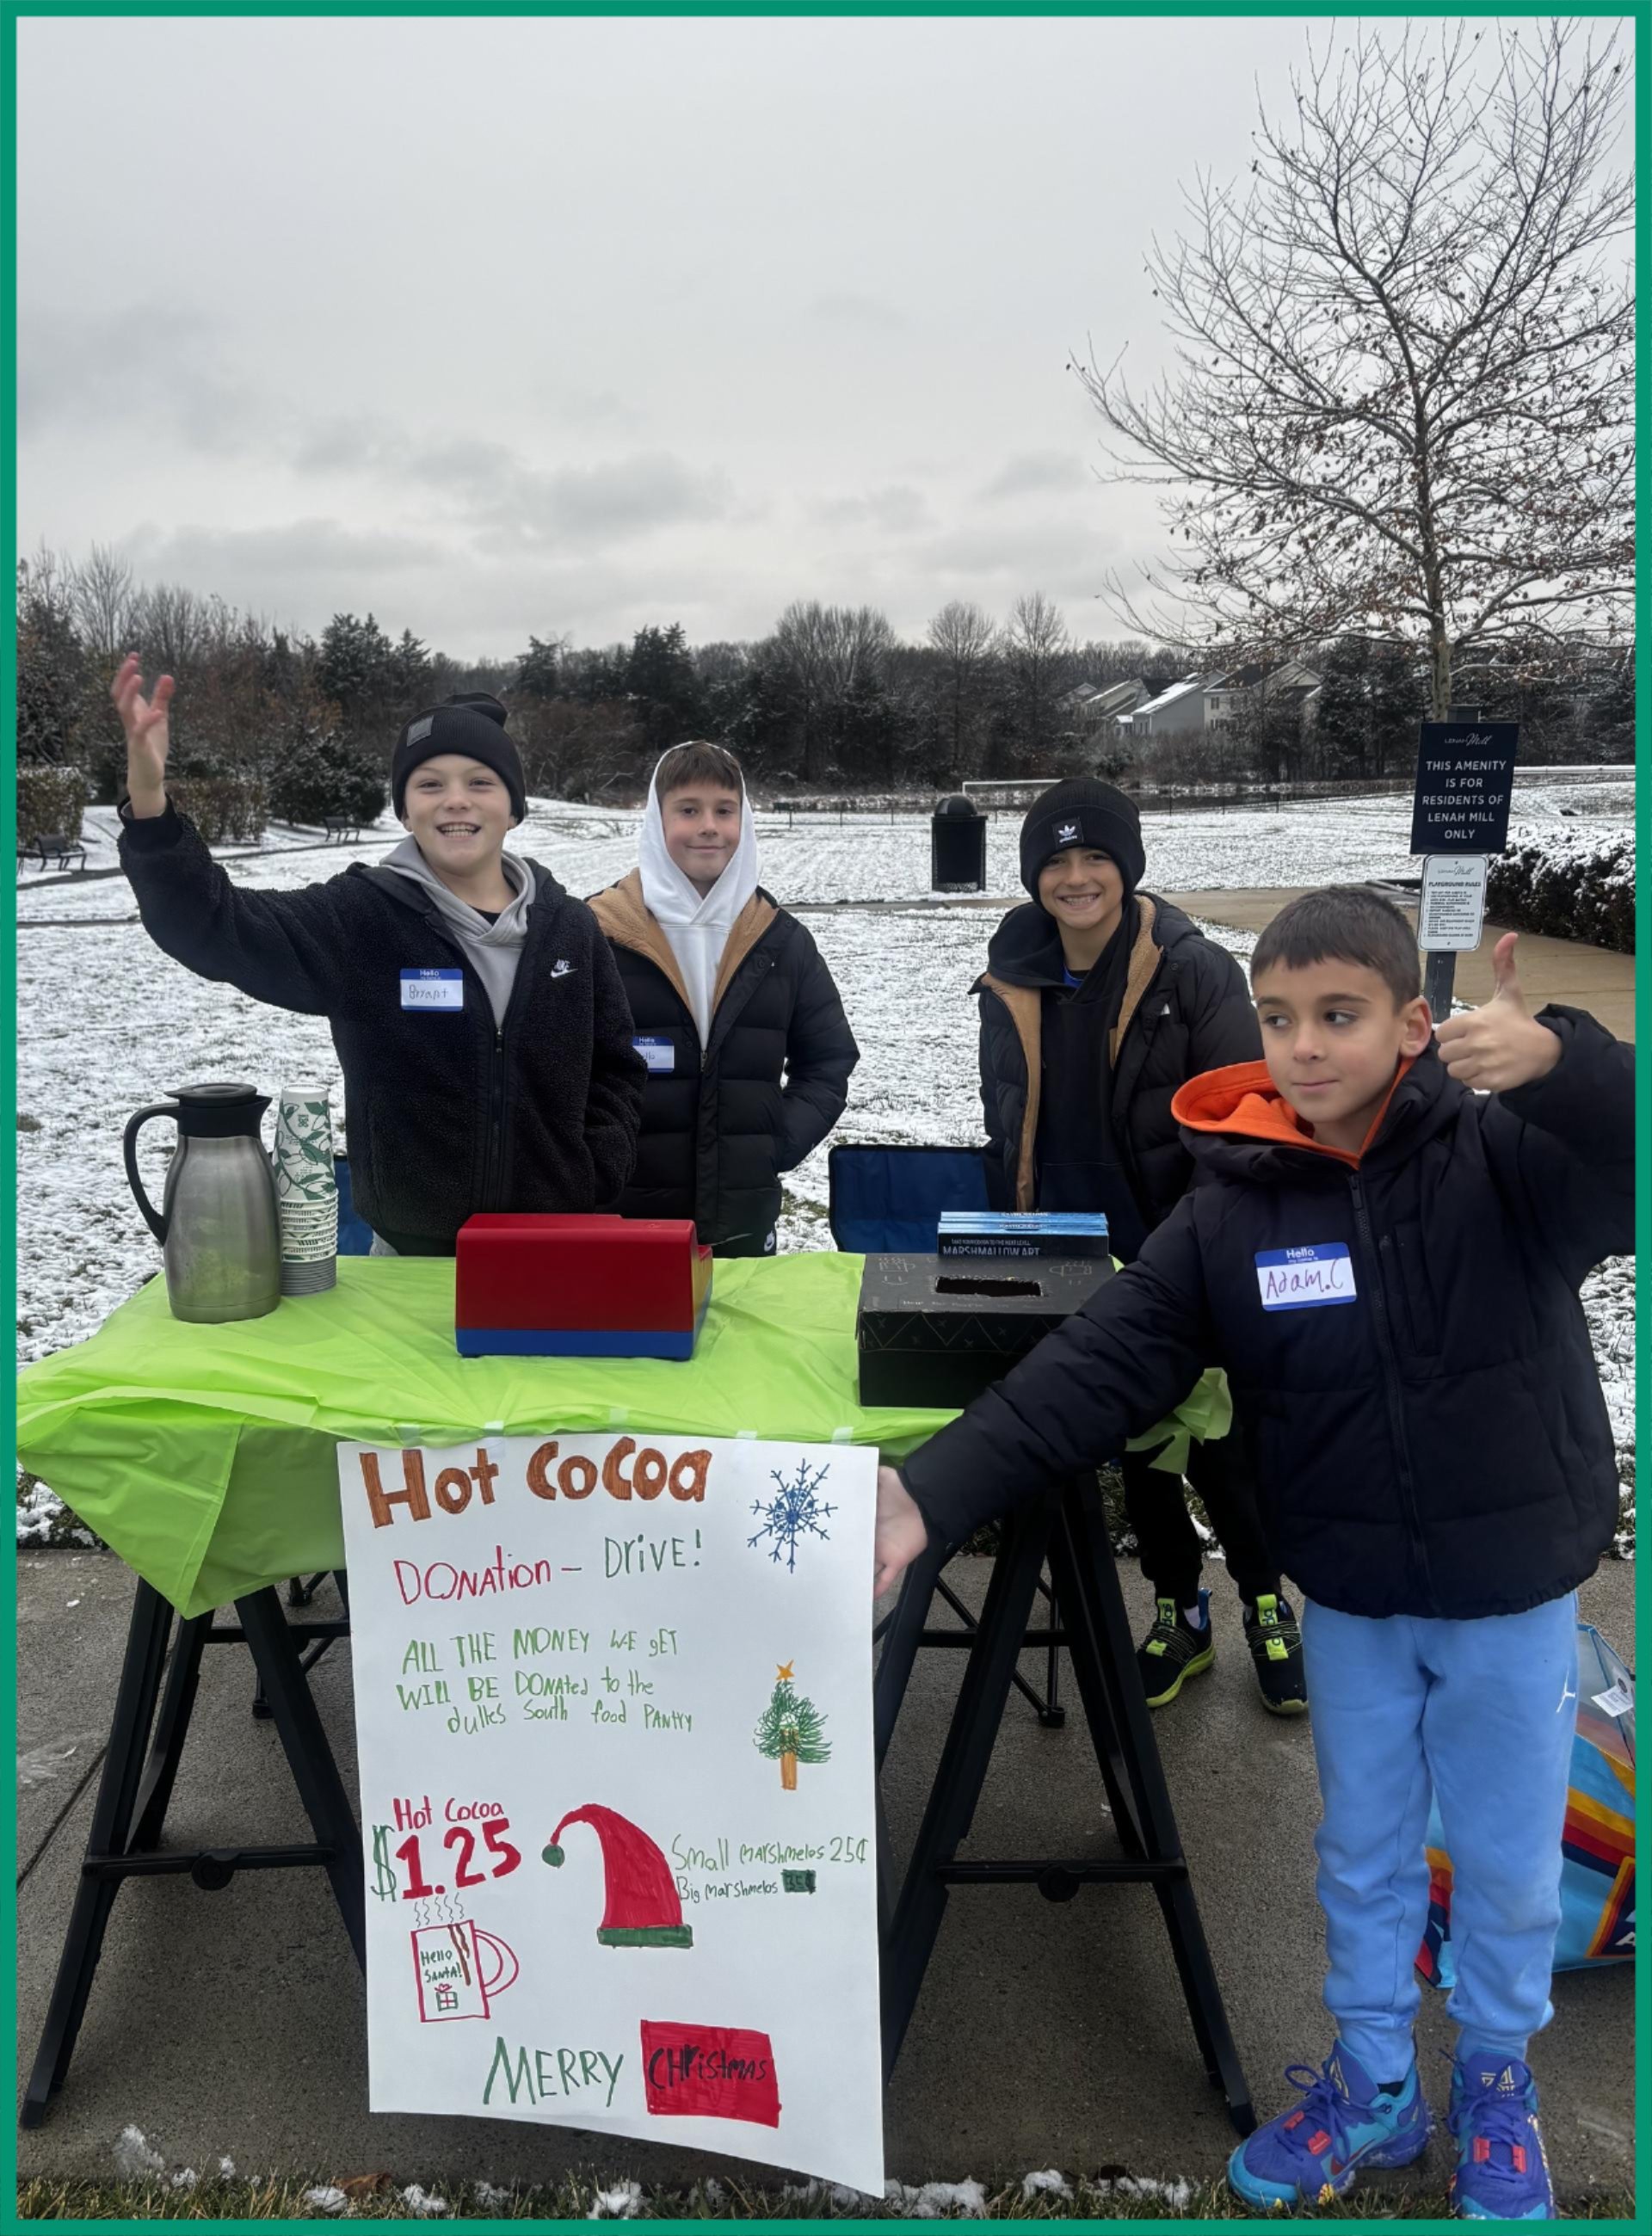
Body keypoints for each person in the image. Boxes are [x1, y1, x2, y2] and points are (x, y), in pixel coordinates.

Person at [874, 886, 1633, 2221]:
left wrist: (1570, 1061)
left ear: (1413, 1022)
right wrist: (930, 1495)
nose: (1304, 1045)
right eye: (1280, 1018)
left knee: (1509, 1854)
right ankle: (1379, 2080)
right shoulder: (1236, 1206)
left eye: (1339, 1015)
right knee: (1363, 1846)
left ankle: (1498, 2078)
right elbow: (1099, 1362)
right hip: (1349, 1593)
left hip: (1513, 1589)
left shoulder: (1506, 1151)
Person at [113, 655, 644, 1254]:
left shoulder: (571, 928)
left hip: (551, 1247)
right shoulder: (361, 918)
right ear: (403, 808)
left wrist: (594, 1168)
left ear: (514, 806)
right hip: (408, 1259)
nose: (455, 801)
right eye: (430, 783)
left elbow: (616, 1068)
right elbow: (214, 925)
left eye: (479, 782)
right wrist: (151, 806)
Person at [979, 779, 1303, 1713]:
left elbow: (1246, 1124)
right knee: (1139, 1449)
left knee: (1220, 1446)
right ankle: (1178, 1612)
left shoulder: (1190, 969)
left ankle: (1268, 1609)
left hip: (1187, 1255)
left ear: (1128, 867)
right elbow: (1006, 1116)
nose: (1076, 878)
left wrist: (1202, 1250)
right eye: (1056, 861)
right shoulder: (1013, 973)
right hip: (1074, 1254)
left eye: (1095, 858)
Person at [588, 739, 857, 1256]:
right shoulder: (599, 935)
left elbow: (828, 1060)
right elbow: (560, 1067)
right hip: (624, 1216)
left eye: (724, 810)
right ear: (656, 819)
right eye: (688, 810)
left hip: (740, 1220)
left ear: (744, 819)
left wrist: (774, 1142)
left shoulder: (781, 941)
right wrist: (601, 1152)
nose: (708, 826)